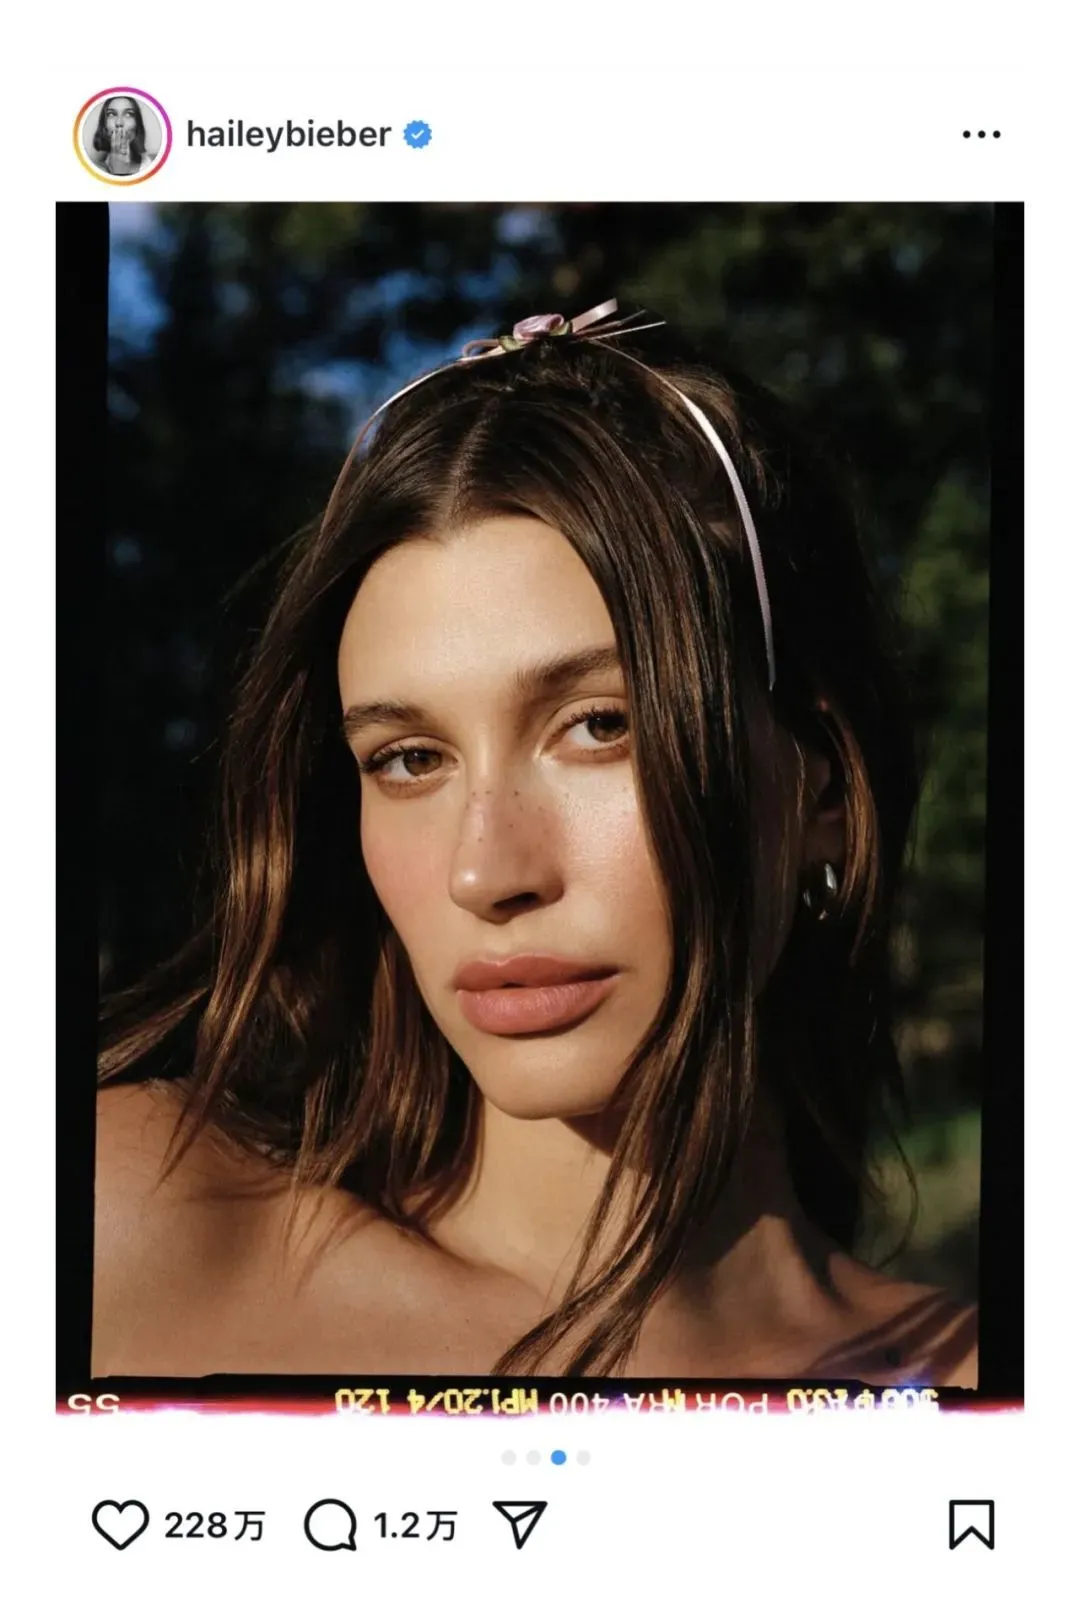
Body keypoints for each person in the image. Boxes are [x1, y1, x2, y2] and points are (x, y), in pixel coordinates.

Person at [94, 301, 978, 1383]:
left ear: (824, 785)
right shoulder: (128, 1225)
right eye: (409, 758)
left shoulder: (977, 1401)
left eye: (599, 726)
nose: (486, 872)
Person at [90, 96, 156, 178]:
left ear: (137, 124)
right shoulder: (92, 170)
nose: (119, 123)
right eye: (111, 114)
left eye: (128, 114)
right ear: (104, 125)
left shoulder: (155, 163)